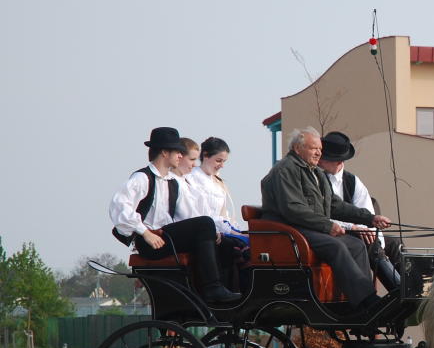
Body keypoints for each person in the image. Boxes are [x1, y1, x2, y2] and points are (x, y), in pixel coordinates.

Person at [260, 127, 393, 313]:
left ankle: (360, 303)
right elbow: (293, 209)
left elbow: (334, 206)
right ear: (298, 149)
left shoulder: (316, 172)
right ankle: (368, 300)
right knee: (336, 246)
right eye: (314, 148)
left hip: (309, 228)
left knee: (356, 245)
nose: (319, 153)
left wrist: (371, 218)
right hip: (290, 230)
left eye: (320, 149)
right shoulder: (285, 170)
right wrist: (328, 225)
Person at [109, 127, 241, 304]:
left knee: (225, 242)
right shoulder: (143, 178)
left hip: (165, 237)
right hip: (150, 242)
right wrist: (145, 233)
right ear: (164, 153)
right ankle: (212, 288)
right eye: (177, 152)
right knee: (204, 225)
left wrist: (212, 232)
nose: (180, 156)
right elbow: (118, 206)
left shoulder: (172, 183)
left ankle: (225, 294)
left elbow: (190, 215)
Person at [317, 131, 400, 291]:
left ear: (338, 161)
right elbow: (321, 215)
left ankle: (411, 289)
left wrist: (376, 239)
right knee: (369, 246)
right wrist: (355, 229)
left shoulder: (354, 181)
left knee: (394, 244)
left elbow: (366, 211)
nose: (319, 160)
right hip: (332, 232)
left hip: (357, 233)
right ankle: (395, 290)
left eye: (324, 157)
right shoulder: (317, 180)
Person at [188, 136, 249, 287]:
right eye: (218, 160)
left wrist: (238, 230)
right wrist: (233, 232)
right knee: (231, 245)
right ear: (206, 155)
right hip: (207, 231)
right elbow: (200, 214)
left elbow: (223, 214)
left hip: (220, 228)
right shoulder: (193, 179)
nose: (221, 165)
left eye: (224, 162)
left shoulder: (216, 182)